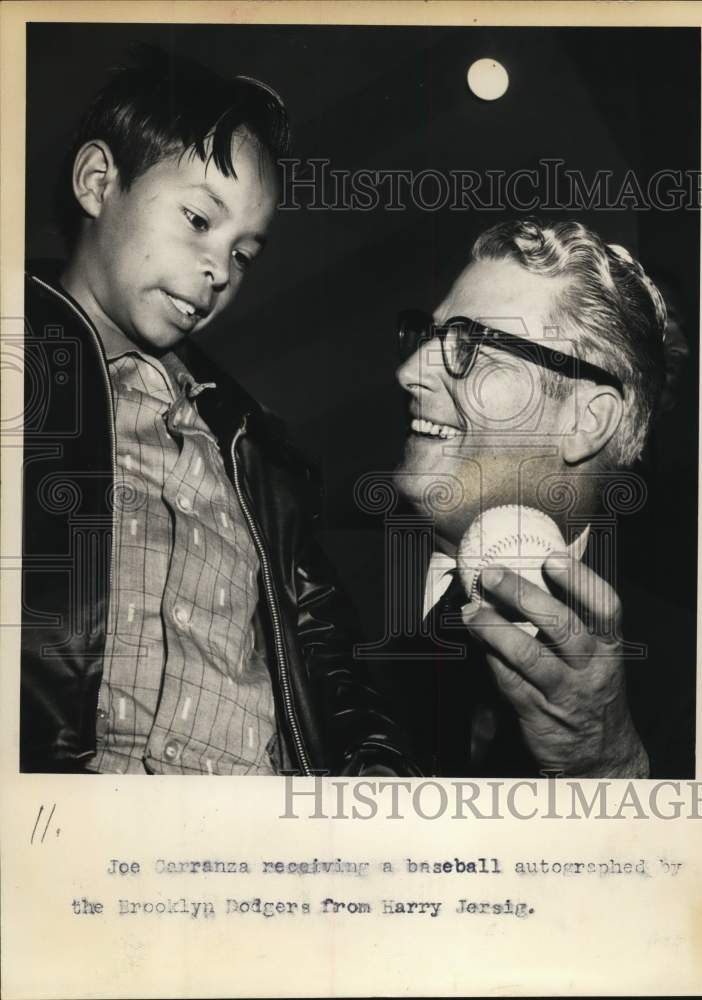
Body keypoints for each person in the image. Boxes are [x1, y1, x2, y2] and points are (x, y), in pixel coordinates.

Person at [21, 47, 415, 776]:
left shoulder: (249, 444)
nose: (220, 270)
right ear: (98, 181)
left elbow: (326, 651)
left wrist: (375, 782)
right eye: (199, 219)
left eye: (245, 253)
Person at [388, 218, 696, 778]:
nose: (409, 372)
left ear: (585, 420)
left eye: (471, 346)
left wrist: (607, 767)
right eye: (426, 337)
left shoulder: (698, 676)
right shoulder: (291, 580)